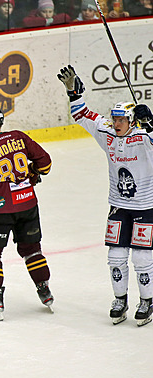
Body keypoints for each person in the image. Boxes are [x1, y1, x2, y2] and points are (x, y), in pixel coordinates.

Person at [58, 65, 153, 326]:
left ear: (132, 121)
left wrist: (151, 122)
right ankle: (120, 300)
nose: (117, 123)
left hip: (146, 205)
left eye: (122, 120)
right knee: (116, 256)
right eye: (115, 118)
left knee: (143, 257)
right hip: (118, 206)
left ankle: (147, 301)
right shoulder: (108, 134)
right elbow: (82, 115)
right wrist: (74, 93)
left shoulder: (144, 136)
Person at [0, 105, 54, 321]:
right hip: (28, 205)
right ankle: (44, 289)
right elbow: (46, 164)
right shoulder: (19, 138)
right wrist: (32, 173)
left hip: (1, 211)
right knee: (32, 249)